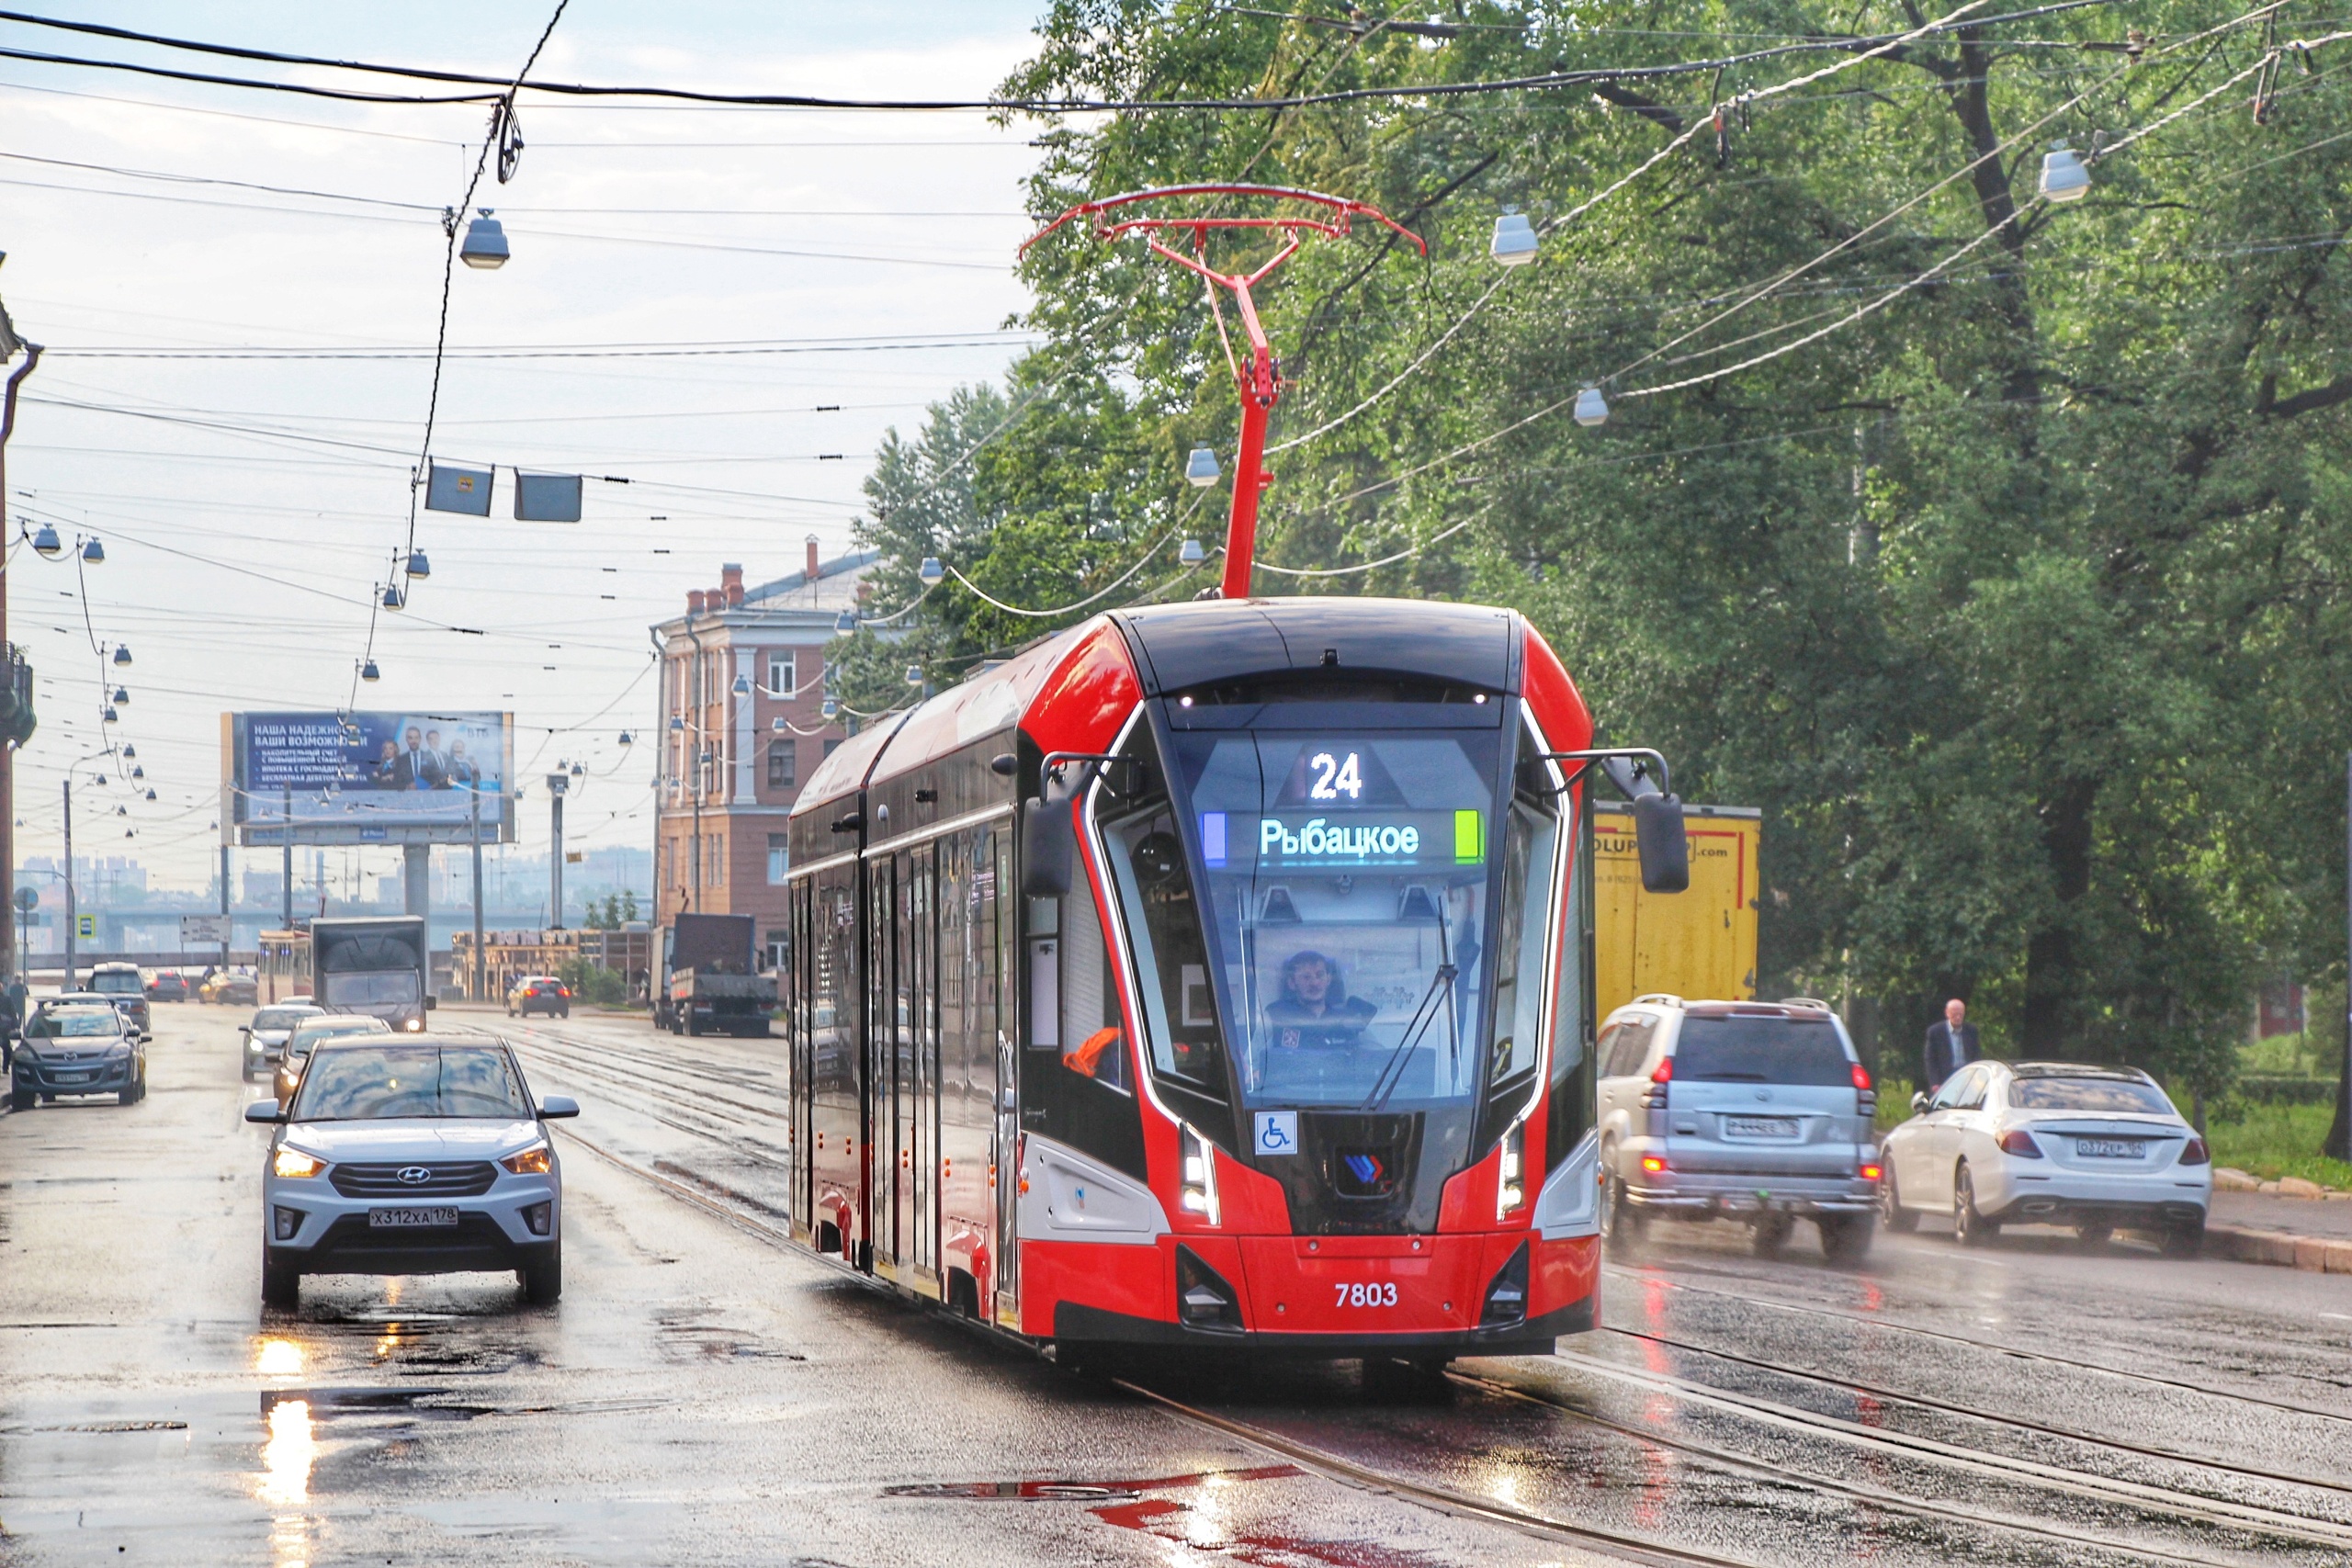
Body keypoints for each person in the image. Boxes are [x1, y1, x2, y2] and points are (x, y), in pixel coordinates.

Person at [1266, 950, 1377, 1049]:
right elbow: (1252, 1065)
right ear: (1292, 983)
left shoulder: (1350, 1019)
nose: (1314, 983)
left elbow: (1377, 1060)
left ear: (1328, 979)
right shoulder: (1275, 1017)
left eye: (1320, 975)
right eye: (1306, 977)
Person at [1922, 998, 1980, 1094]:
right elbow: (1930, 1059)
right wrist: (1934, 1082)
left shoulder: (1971, 1031)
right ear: (1947, 1013)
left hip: (1967, 1077)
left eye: (1960, 1014)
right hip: (1944, 1079)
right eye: (1954, 1014)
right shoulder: (1935, 1032)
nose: (1958, 1017)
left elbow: (1976, 1055)